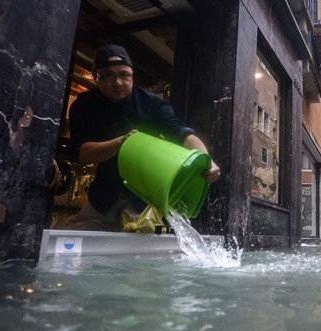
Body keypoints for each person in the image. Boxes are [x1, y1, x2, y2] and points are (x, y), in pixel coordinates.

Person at [68, 44, 220, 230]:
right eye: (108, 75)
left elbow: (183, 135)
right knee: (80, 241)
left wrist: (206, 161)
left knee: (141, 248)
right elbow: (84, 154)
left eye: (124, 75)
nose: (118, 82)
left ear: (132, 75)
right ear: (95, 77)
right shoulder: (84, 105)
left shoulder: (152, 104)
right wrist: (123, 142)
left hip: (146, 190)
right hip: (103, 191)